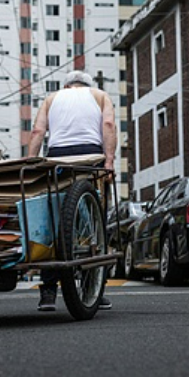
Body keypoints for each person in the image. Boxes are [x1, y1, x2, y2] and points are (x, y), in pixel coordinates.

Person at [27, 70, 117, 312]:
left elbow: (38, 131)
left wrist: (30, 163)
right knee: (95, 223)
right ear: (87, 85)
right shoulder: (100, 95)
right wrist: (109, 162)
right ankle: (94, 289)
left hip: (58, 157)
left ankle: (48, 292)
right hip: (90, 156)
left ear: (67, 86)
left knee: (53, 221)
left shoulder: (52, 98)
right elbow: (108, 125)